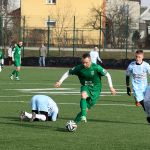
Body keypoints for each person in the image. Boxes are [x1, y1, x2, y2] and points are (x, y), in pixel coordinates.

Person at [55, 53, 116, 123]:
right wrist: (60, 82)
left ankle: (74, 123)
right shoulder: (79, 68)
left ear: (90, 61)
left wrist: (111, 87)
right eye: (83, 62)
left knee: (85, 109)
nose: (84, 64)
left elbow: (108, 75)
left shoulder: (96, 67)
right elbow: (68, 72)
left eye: (86, 63)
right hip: (85, 87)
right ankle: (84, 116)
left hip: (96, 90)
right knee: (83, 95)